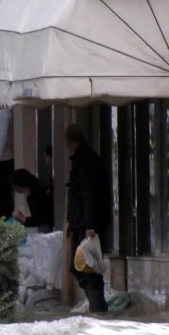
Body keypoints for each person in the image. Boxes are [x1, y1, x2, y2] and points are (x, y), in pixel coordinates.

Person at [64, 123, 112, 313]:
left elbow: (88, 194)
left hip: (86, 224)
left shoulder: (84, 161)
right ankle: (96, 305)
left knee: (84, 267)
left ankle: (97, 307)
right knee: (82, 267)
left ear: (69, 141)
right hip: (81, 222)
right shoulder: (85, 159)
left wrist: (90, 225)